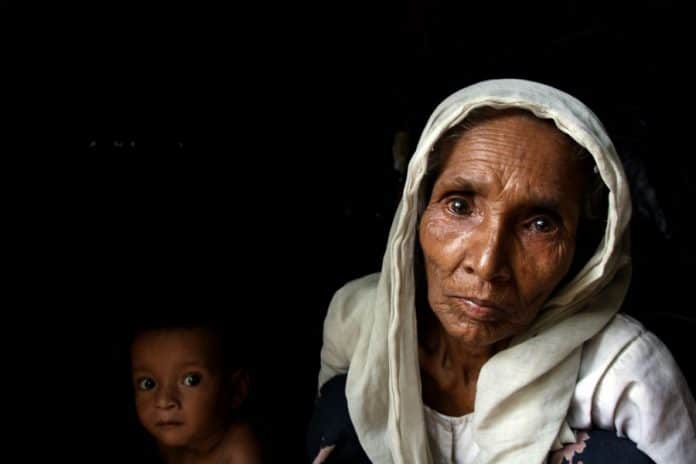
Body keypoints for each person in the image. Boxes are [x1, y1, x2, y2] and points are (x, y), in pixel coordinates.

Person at [308, 79, 696, 463]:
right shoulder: (358, 319)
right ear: (417, 209)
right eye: (459, 207)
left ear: (585, 249)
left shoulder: (626, 373)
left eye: (540, 225)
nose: (488, 263)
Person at [130, 320, 262, 463]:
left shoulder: (239, 450)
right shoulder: (167, 435)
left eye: (191, 380)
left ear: (237, 390)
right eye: (148, 384)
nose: (163, 401)